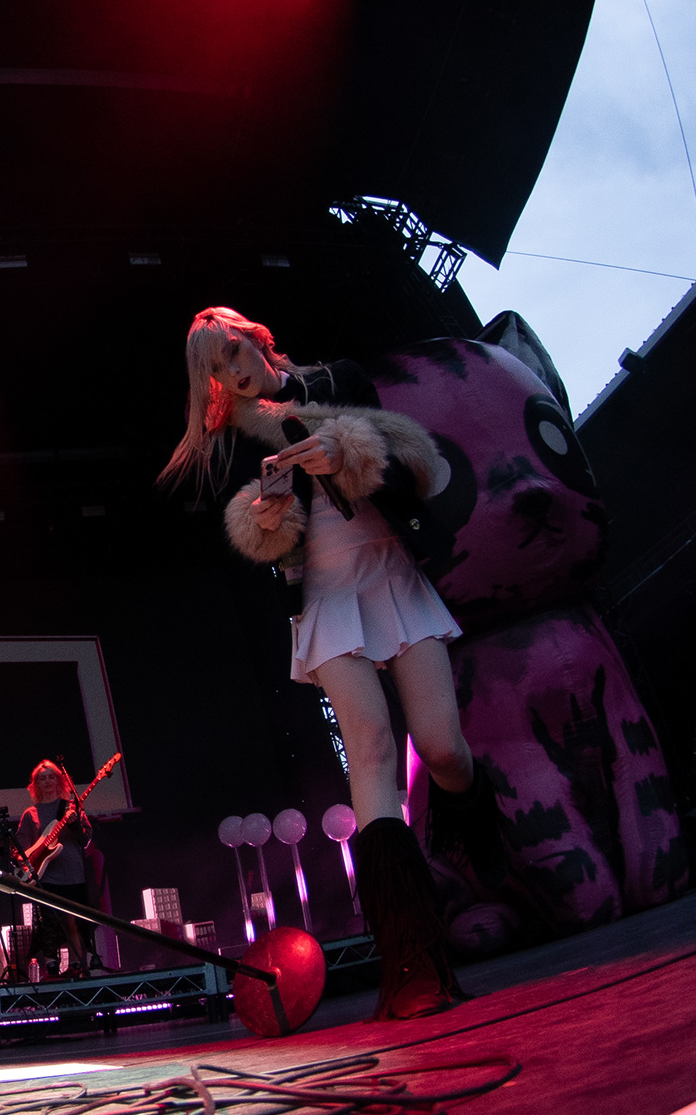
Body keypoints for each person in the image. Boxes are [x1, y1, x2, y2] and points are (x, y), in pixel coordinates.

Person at [160, 305, 503, 1020]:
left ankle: (490, 854)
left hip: (393, 569)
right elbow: (262, 539)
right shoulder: (232, 438)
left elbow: (414, 466)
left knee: (443, 748)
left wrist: (348, 454)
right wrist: (266, 515)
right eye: (217, 369)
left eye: (233, 351)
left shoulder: (339, 379)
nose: (233, 371)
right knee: (371, 751)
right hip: (324, 591)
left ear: (255, 336)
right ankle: (411, 964)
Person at [13, 758, 113, 973]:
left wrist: (76, 824)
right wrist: (22, 859)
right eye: (42, 778)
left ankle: (78, 963)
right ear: (35, 784)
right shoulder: (30, 814)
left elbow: (85, 839)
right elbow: (20, 846)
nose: (48, 781)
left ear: (59, 781)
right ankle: (51, 963)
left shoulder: (71, 807)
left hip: (74, 873)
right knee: (50, 922)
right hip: (46, 876)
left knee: (75, 921)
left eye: (52, 777)